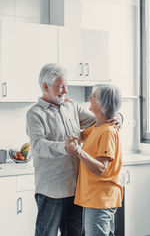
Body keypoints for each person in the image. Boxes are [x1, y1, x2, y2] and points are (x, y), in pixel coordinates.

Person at [26, 63, 123, 236]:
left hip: (77, 190)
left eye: (66, 86)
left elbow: (100, 118)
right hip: (51, 190)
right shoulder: (35, 114)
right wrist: (64, 147)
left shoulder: (71, 107)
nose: (65, 91)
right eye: (60, 87)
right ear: (45, 87)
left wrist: (118, 117)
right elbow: (38, 145)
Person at [65, 84, 123, 236]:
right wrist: (68, 109)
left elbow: (100, 168)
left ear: (102, 104)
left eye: (94, 97)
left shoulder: (107, 132)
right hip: (97, 198)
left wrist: (79, 152)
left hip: (100, 199)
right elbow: (81, 136)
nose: (90, 99)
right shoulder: (98, 127)